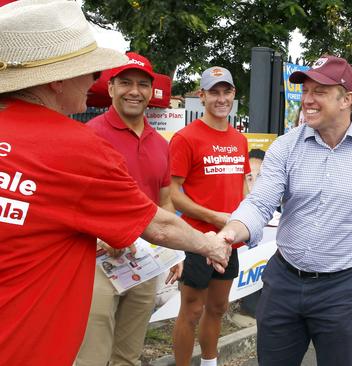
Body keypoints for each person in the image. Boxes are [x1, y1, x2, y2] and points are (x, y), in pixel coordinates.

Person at [0, 2, 230, 365]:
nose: (96, 81)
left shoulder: (151, 142)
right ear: (58, 79)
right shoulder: (77, 144)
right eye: (91, 72)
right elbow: (157, 223)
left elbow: (163, 200)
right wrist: (212, 246)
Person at [219, 55, 352, 366]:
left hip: (342, 290)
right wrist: (230, 232)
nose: (307, 100)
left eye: (319, 91)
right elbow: (260, 202)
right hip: (284, 281)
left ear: (346, 98)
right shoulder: (285, 147)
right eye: (305, 91)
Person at [75, 52, 182, 366]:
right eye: (125, 83)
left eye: (142, 84)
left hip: (144, 263)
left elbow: (165, 202)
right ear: (110, 88)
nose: (134, 91)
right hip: (95, 262)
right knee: (91, 357)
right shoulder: (89, 136)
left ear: (151, 92)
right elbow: (74, 201)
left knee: (129, 356)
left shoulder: (160, 144)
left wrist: (175, 252)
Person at [170, 66, 251, 366]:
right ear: (201, 96)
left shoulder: (239, 139)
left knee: (218, 308)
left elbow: (243, 184)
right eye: (213, 92)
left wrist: (237, 220)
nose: (220, 98)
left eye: (226, 91)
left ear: (233, 95)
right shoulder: (185, 138)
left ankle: (209, 362)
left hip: (229, 240)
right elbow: (174, 194)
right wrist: (214, 217)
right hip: (196, 240)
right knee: (190, 311)